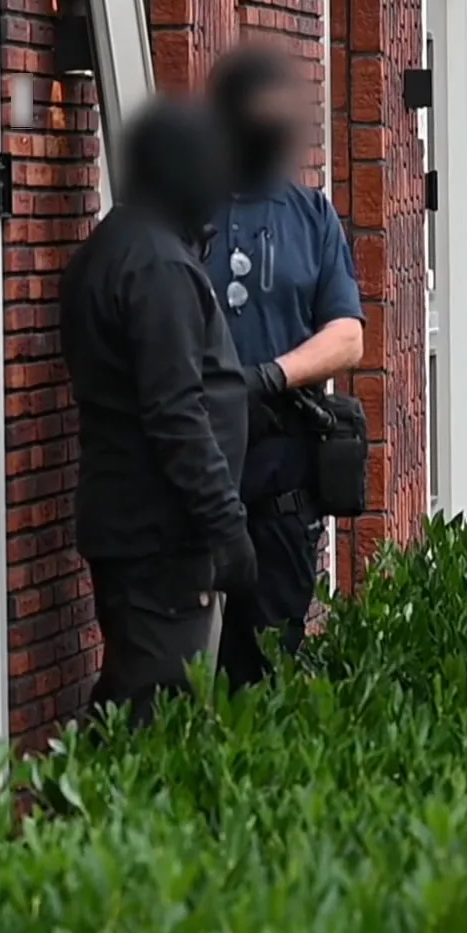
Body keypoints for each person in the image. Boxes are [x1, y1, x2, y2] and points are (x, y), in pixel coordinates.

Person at [58, 94, 257, 730]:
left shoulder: (110, 249)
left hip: (128, 519)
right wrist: (226, 526)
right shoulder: (158, 268)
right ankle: (87, 823)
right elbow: (175, 413)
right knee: (153, 711)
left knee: (135, 687)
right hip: (160, 534)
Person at [203, 43, 366, 689]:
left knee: (267, 676)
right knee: (179, 685)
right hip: (189, 489)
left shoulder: (312, 215)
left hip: (280, 498)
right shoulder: (186, 209)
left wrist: (269, 376)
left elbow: (348, 337)